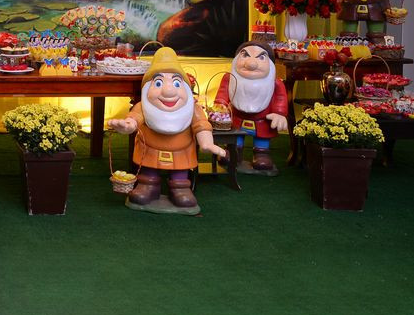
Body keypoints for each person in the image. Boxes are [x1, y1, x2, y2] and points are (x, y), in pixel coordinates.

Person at [108, 47, 226, 211]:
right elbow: (134, 118)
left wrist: (207, 143)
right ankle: (148, 186)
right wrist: (128, 126)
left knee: (180, 175)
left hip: (181, 151)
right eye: (158, 83)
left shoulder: (193, 108)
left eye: (176, 83)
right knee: (148, 172)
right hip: (149, 149)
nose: (168, 91)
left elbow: (201, 125)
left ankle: (180, 188)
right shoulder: (143, 106)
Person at [213, 42, 288, 173]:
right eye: (245, 55)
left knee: (261, 140)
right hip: (237, 118)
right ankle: (234, 152)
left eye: (261, 57)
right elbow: (222, 94)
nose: (251, 64)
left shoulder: (275, 83)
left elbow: (280, 98)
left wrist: (279, 113)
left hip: (263, 120)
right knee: (235, 139)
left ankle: (261, 154)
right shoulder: (229, 78)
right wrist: (220, 106)